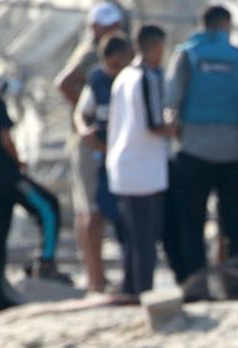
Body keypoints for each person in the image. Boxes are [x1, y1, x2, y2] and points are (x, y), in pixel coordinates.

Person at [165, 6, 238, 287]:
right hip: (234, 149)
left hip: (194, 148)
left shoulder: (187, 54)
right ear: (226, 26)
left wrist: (182, 131)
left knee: (193, 220)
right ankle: (237, 284)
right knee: (235, 221)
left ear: (203, 24)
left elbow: (171, 101)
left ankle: (197, 285)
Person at [0, 62, 66, 312]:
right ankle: (46, 262)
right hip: (6, 174)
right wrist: (17, 160)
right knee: (48, 207)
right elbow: (5, 138)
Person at [55, 2, 124, 294]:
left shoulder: (110, 49)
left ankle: (98, 276)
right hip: (89, 143)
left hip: (103, 141)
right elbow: (65, 83)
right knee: (91, 211)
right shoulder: (91, 55)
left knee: (97, 209)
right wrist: (88, 114)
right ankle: (96, 277)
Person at [107, 24, 175, 300]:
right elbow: (154, 124)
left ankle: (130, 288)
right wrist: (173, 125)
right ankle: (143, 294)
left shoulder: (123, 75)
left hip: (125, 166)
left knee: (133, 239)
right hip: (143, 169)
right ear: (156, 47)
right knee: (146, 239)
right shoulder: (147, 77)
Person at [73, 34, 133, 292]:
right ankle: (96, 278)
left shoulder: (135, 79)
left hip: (128, 158)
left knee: (127, 218)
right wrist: (89, 136)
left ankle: (130, 277)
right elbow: (82, 115)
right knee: (94, 213)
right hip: (102, 156)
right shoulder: (97, 80)